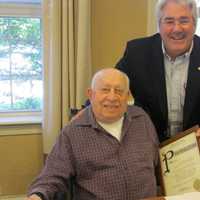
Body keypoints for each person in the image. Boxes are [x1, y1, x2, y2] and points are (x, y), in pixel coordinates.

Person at [26, 68, 159, 200]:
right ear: (91, 94)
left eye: (119, 91)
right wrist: (37, 196)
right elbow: (52, 175)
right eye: (105, 90)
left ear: (128, 96)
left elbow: (158, 162)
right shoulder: (72, 133)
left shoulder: (141, 119)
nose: (112, 97)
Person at [116, 0, 200, 142]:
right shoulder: (137, 53)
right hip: (147, 145)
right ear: (159, 25)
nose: (177, 29)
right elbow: (111, 85)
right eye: (169, 21)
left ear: (195, 24)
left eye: (184, 21)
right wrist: (87, 110)